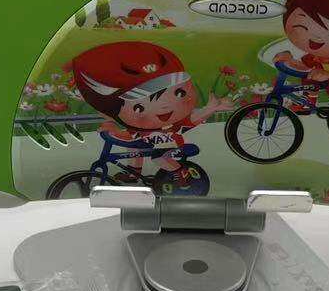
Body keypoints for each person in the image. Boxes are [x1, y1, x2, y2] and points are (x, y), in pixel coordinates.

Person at [69, 41, 226, 185]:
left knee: (158, 158)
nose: (165, 107)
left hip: (170, 147)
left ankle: (181, 173)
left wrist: (211, 108)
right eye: (139, 107)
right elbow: (127, 134)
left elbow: (191, 120)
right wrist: (111, 125)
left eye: (179, 93)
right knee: (135, 149)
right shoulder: (139, 128)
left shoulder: (170, 126)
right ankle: (134, 173)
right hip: (150, 142)